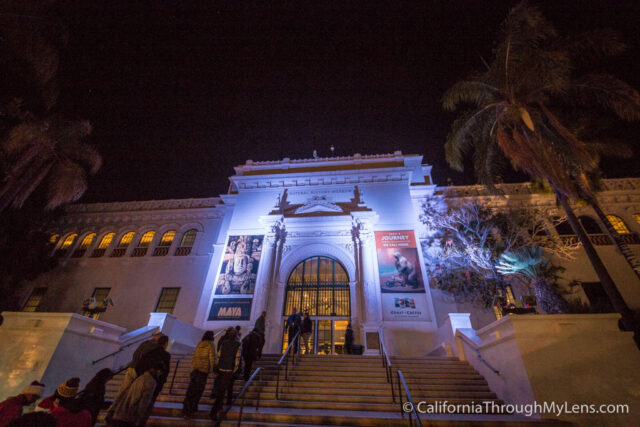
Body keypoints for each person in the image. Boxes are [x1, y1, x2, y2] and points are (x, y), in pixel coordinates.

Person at [110, 359, 164, 427]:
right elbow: (144, 401)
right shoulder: (151, 382)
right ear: (158, 371)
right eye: (160, 372)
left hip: (121, 413)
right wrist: (138, 417)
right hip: (130, 416)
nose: (160, 374)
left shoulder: (140, 377)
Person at [135, 335, 171, 426]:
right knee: (147, 406)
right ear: (166, 344)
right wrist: (160, 385)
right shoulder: (166, 355)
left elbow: (140, 365)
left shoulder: (150, 352)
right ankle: (140, 423)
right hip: (154, 384)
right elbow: (165, 372)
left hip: (142, 380)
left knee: (138, 403)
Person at [209, 328, 241, 422]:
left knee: (221, 391)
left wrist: (217, 367)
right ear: (236, 335)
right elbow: (237, 359)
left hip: (221, 369)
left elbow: (219, 356)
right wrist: (234, 370)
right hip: (229, 370)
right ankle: (214, 412)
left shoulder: (224, 343)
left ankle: (219, 409)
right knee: (222, 392)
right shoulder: (238, 344)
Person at [182, 331, 216, 418]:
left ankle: (186, 409)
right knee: (198, 391)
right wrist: (213, 370)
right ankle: (192, 409)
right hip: (203, 371)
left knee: (191, 390)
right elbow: (212, 358)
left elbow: (194, 356)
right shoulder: (211, 345)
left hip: (195, 369)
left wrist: (192, 369)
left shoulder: (199, 344)